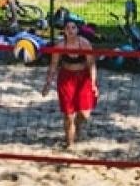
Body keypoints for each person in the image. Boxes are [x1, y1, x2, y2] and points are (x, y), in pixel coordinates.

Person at [42, 18, 98, 148]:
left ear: (77, 30)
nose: (70, 30)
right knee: (68, 114)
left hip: (83, 78)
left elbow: (92, 65)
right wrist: (47, 84)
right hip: (66, 78)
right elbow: (53, 66)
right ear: (64, 31)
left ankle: (77, 126)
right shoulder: (60, 46)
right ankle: (70, 144)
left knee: (84, 114)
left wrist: (93, 83)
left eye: (73, 28)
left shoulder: (84, 44)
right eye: (68, 28)